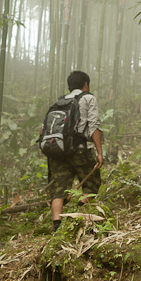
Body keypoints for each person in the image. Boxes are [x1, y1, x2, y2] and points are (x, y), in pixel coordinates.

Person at [48, 70, 104, 231]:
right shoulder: (88, 98)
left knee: (59, 189)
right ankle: (80, 215)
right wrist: (99, 152)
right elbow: (93, 126)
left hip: (57, 151)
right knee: (92, 184)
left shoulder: (59, 102)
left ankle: (56, 227)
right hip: (79, 150)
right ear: (86, 84)